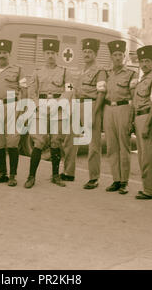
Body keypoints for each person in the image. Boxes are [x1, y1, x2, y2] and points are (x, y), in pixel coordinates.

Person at [24, 39, 74, 188]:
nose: (50, 56)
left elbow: (69, 89)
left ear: (57, 54)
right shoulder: (37, 72)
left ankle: (55, 175)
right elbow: (31, 91)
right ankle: (31, 176)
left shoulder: (65, 72)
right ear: (44, 54)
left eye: (53, 53)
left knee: (55, 141)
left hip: (58, 108)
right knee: (38, 141)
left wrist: (59, 104)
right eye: (48, 53)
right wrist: (38, 105)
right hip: (41, 107)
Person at [62, 38, 106, 189]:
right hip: (77, 104)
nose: (87, 54)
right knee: (69, 139)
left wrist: (95, 112)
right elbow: (71, 87)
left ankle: (94, 178)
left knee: (93, 144)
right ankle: (69, 172)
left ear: (96, 53)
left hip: (91, 104)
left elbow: (101, 93)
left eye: (90, 52)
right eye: (85, 51)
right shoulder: (80, 70)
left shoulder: (100, 71)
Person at [0, 39, 27, 187]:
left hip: (12, 106)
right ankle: (2, 172)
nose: (2, 55)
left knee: (12, 141)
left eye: (4, 52)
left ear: (9, 54)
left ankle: (12, 175)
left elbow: (24, 89)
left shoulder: (17, 69)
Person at [102, 40, 138, 195]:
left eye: (120, 55)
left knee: (124, 147)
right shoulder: (106, 74)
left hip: (123, 108)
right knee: (111, 147)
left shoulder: (132, 74)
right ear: (111, 57)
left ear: (124, 57)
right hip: (108, 108)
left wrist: (132, 117)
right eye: (115, 55)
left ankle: (124, 182)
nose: (117, 58)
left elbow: (134, 97)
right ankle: (116, 179)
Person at [133, 45, 152, 200]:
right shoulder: (142, 79)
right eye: (142, 61)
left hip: (147, 118)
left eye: (147, 61)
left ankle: (150, 190)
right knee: (143, 155)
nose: (144, 64)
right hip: (139, 117)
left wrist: (147, 124)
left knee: (147, 156)